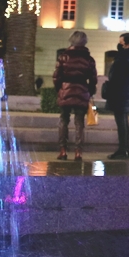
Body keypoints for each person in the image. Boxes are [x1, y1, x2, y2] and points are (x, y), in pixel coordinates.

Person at [52, 31, 98, 161]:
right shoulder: (89, 59)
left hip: (66, 90)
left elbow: (56, 76)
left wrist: (60, 89)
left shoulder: (63, 57)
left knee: (63, 120)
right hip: (82, 90)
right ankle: (78, 152)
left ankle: (63, 150)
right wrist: (89, 90)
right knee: (79, 122)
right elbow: (93, 79)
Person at [105, 32, 129, 159]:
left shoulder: (122, 57)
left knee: (121, 122)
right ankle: (125, 149)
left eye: (121, 43)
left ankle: (122, 150)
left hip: (119, 93)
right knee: (124, 121)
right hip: (128, 93)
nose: (119, 45)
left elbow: (115, 76)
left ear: (127, 44)